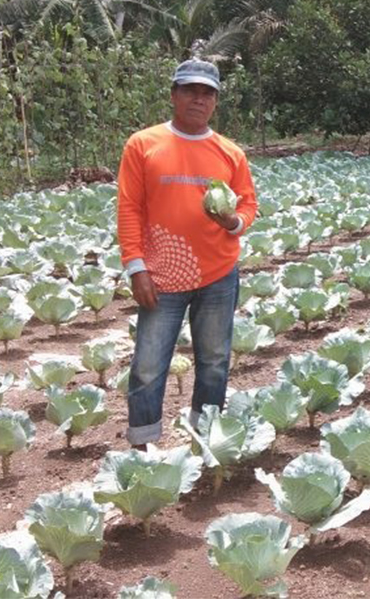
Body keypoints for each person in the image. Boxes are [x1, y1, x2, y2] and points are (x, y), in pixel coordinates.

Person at [117, 58, 258, 448]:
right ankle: (142, 446)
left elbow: (248, 206)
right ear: (174, 95)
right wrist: (135, 266)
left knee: (213, 362)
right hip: (161, 275)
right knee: (147, 365)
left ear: (215, 102)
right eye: (190, 90)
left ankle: (206, 439)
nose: (199, 99)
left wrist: (233, 222)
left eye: (207, 93)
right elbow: (129, 207)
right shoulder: (143, 144)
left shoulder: (230, 153)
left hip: (218, 274)